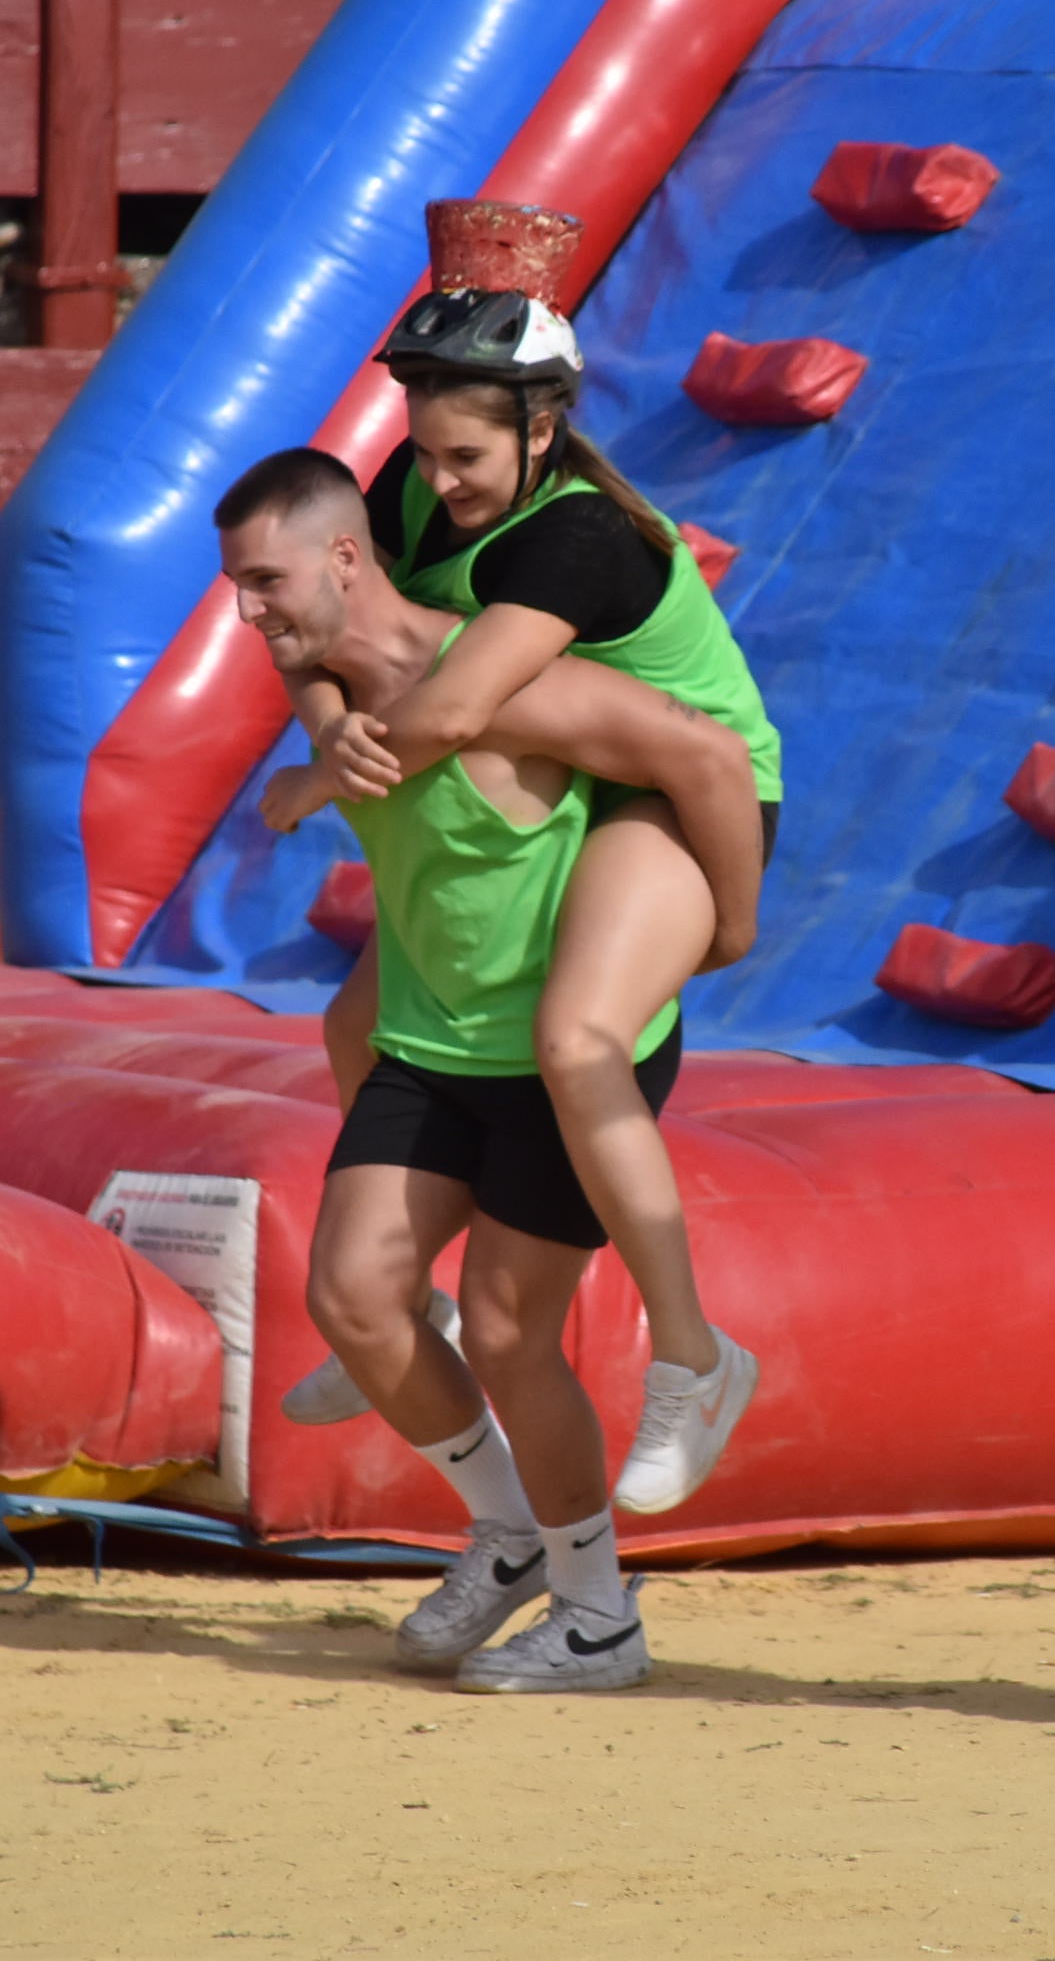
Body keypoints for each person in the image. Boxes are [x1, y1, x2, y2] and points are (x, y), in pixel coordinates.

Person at [214, 445, 764, 1690]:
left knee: (517, 1337)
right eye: (238, 589)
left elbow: (711, 755)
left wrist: (728, 932)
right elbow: (317, 761)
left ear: (346, 561)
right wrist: (304, 777)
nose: (249, 614)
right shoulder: (323, 683)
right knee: (356, 1298)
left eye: (265, 583)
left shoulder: (501, 683)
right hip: (427, 1035)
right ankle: (510, 1532)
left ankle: (598, 1612)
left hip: (556, 1056)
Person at [265, 202, 784, 1516]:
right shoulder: (411, 493)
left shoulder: (576, 538)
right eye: (422, 449)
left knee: (575, 1042)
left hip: (680, 792)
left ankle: (694, 1357)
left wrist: (733, 914)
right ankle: (405, 1303)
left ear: (540, 430)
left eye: (466, 455)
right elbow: (339, 645)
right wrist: (329, 729)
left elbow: (443, 710)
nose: (436, 482)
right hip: (570, 788)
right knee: (353, 1027)